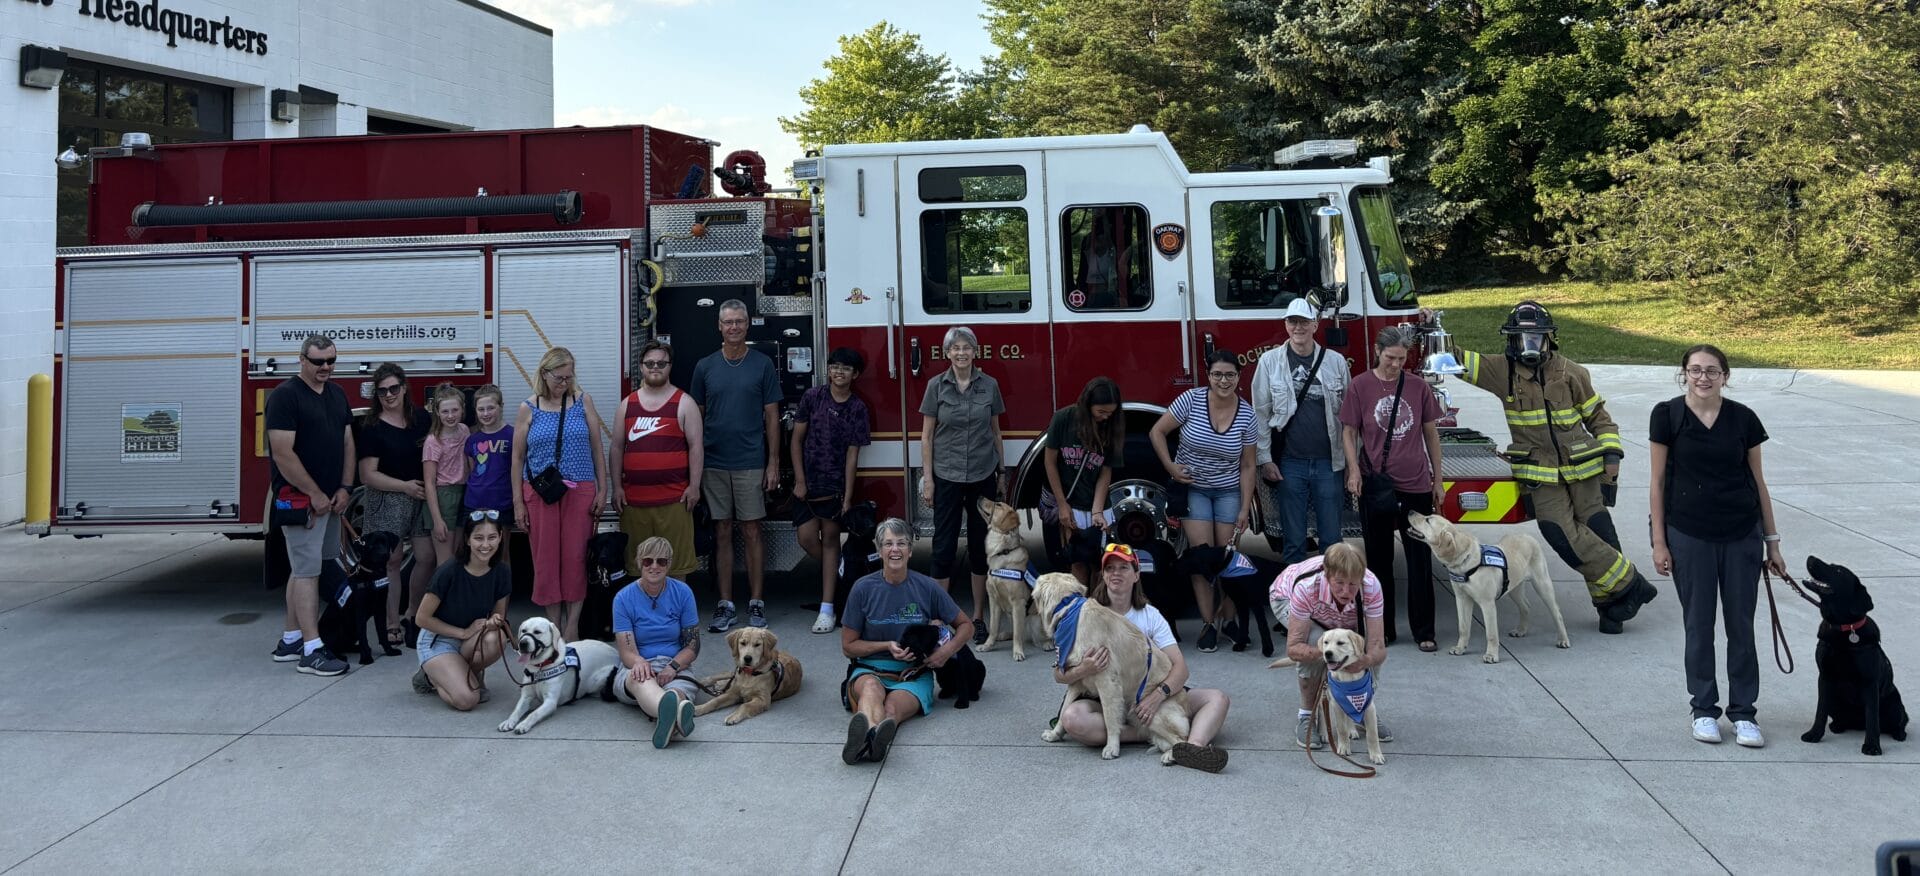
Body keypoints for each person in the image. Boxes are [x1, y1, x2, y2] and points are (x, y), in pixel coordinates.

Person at [1435, 301, 1659, 633]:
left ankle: (1610, 607)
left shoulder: (1572, 373)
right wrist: (1433, 330)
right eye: (1522, 338)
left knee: (1597, 531)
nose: (1529, 345)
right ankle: (1631, 583)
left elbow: (1599, 418)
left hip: (1583, 469)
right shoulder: (1501, 372)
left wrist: (1612, 455)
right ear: (1510, 340)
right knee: (1562, 535)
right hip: (1541, 475)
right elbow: (1456, 359)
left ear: (1548, 339)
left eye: (1536, 338)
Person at [1649, 344, 1787, 748]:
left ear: (1725, 375)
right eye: (1695, 370)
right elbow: (1657, 483)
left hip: (1742, 534)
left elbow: (1758, 482)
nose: (1703, 377)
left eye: (1712, 370)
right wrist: (1660, 542)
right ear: (1684, 374)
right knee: (1699, 626)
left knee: (1741, 628)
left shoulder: (1744, 419)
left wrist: (1772, 543)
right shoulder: (1667, 415)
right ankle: (1704, 709)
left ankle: (1744, 714)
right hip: (1688, 534)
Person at [1053, 543, 1232, 772]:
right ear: (1102, 575)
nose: (1116, 573)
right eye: (1110, 569)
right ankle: (1149, 734)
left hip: (1150, 691)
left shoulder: (1150, 615)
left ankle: (1191, 748)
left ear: (1136, 575)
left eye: (1123, 568)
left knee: (1218, 699)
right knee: (1073, 719)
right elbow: (1059, 674)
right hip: (1103, 699)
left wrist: (1157, 697)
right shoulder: (1082, 614)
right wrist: (1084, 669)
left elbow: (1180, 669)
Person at [1340, 326, 1446, 649]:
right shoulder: (1360, 386)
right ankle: (1383, 629)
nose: (1396, 364)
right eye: (1390, 358)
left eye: (1401, 359)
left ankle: (1424, 631)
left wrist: (1437, 479)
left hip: (1414, 482)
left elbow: (1431, 433)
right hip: (1377, 484)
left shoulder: (1417, 387)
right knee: (1379, 560)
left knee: (1419, 560)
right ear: (1377, 351)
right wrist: (1354, 470)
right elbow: (1348, 432)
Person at [839, 517, 976, 765]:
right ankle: (870, 738)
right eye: (888, 544)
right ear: (880, 550)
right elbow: (848, 645)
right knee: (871, 690)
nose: (895, 550)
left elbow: (966, 626)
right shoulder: (862, 588)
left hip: (913, 674)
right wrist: (885, 646)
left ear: (910, 551)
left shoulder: (927, 587)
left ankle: (868, 741)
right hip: (870, 669)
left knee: (892, 709)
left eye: (901, 544)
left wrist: (945, 652)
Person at [1149, 351, 1257, 652]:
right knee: (1201, 558)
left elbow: (1248, 466)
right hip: (1193, 489)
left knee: (1228, 561)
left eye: (1230, 375)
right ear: (1208, 376)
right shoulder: (1190, 401)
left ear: (1238, 377)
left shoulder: (1247, 415)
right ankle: (1208, 624)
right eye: (1217, 375)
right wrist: (1171, 467)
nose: (1224, 381)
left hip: (1228, 491)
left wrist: (1245, 508)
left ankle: (1230, 620)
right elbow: (1157, 431)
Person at [265, 334, 355, 677]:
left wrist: (345, 487)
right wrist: (315, 493)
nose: (326, 368)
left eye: (331, 360)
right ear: (301, 359)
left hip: (331, 501)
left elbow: (348, 441)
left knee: (306, 568)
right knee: (307, 573)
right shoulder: (285, 397)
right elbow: (283, 453)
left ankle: (290, 639)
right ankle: (312, 650)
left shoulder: (336, 394)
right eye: (318, 362)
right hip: (302, 502)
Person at [690, 300, 781, 632]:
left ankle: (756, 603)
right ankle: (725, 605)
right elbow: (695, 418)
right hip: (714, 461)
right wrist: (694, 466)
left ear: (747, 325)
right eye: (728, 322)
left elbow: (772, 416)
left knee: (753, 530)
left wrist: (772, 463)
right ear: (719, 325)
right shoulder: (705, 367)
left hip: (750, 462)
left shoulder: (762, 364)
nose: (734, 327)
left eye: (739, 322)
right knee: (722, 531)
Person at [510, 347, 610, 643]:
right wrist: (518, 502)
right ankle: (554, 627)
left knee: (576, 558)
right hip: (540, 495)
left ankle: (572, 626)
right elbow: (516, 459)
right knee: (546, 560)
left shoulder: (583, 401)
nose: (564, 382)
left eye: (569, 377)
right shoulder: (528, 407)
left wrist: (602, 489)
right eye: (559, 377)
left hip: (580, 491)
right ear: (544, 374)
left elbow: (596, 447)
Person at [918, 326, 1006, 646]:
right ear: (947, 353)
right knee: (943, 547)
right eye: (955, 348)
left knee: (982, 548)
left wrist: (1001, 473)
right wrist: (928, 480)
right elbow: (927, 437)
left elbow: (996, 432)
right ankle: (940, 620)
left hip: (982, 473)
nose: (961, 353)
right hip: (947, 475)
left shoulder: (990, 386)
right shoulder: (935, 387)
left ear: (975, 352)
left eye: (966, 347)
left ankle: (978, 617)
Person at [1252, 298, 1351, 567]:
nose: (1298, 327)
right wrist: (1265, 459)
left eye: (1304, 322)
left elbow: (1349, 418)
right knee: (1293, 540)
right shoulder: (1270, 362)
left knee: (1331, 539)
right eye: (1293, 321)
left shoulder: (1336, 362)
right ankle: (1295, 600)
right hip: (1289, 463)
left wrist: (1352, 464)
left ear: (1315, 325)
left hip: (1329, 462)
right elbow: (1260, 413)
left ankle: (1330, 599)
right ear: (1285, 325)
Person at [1275, 542, 1389, 750]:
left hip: (1339, 613)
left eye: (1353, 584)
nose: (1346, 591)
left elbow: (1377, 645)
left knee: (1360, 649)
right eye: (1339, 583)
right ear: (1327, 575)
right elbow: (1294, 648)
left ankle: (1360, 709)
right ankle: (1307, 715)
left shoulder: (1371, 585)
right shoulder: (1307, 587)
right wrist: (1328, 653)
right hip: (1286, 597)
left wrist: (1366, 660)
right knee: (1314, 643)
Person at [792, 347, 872, 633]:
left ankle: (827, 610)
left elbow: (853, 457)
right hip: (808, 483)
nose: (839, 372)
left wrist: (848, 496)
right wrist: (799, 480)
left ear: (855, 375)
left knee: (830, 540)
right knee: (806, 538)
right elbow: (796, 440)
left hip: (834, 487)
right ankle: (842, 567)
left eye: (845, 368)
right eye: (834, 366)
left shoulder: (857, 408)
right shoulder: (812, 398)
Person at [356, 362, 434, 649]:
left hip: (420, 496)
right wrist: (404, 487)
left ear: (404, 388)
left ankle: (413, 613)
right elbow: (367, 475)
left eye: (394, 388)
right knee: (392, 561)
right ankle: (390, 624)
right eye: (382, 391)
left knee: (426, 557)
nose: (389, 395)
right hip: (387, 498)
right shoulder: (372, 428)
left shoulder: (422, 419)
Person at [612, 340, 702, 586]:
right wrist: (617, 488)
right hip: (634, 502)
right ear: (641, 367)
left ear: (670, 366)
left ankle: (676, 619)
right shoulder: (627, 405)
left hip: (675, 501)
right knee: (638, 567)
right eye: (649, 363)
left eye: (661, 363)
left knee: (676, 566)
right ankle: (644, 619)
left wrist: (694, 486)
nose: (655, 368)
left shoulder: (684, 402)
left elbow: (696, 447)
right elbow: (617, 447)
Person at [411, 511, 512, 711]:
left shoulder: (502, 571)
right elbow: (421, 619)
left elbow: (498, 615)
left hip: (472, 637)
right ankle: (431, 677)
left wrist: (494, 621)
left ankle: (464, 674)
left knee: (498, 638)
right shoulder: (449, 571)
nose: (486, 545)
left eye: (492, 537)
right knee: (467, 700)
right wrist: (463, 633)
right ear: (467, 539)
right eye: (478, 538)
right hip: (438, 640)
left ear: (501, 537)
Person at [610, 536, 703, 749]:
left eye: (661, 561)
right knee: (642, 680)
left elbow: (693, 645)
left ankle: (670, 714)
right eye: (647, 561)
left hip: (675, 663)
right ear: (638, 563)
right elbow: (626, 651)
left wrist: (673, 667)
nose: (654, 566)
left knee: (678, 689)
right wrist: (640, 662)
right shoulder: (623, 598)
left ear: (669, 564)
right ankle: (674, 713)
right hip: (639, 664)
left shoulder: (683, 592)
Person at [1043, 377, 1124, 584]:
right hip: (1071, 503)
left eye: (1111, 413)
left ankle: (1097, 607)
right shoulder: (1063, 419)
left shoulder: (1112, 427)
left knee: (1100, 562)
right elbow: (1050, 462)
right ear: (1087, 405)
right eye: (1101, 412)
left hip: (1097, 504)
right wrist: (1062, 504)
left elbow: (1106, 471)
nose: (1106, 417)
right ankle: (1080, 611)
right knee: (1077, 562)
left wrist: (1097, 511)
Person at [421, 383, 470, 557]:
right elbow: (429, 482)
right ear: (437, 413)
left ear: (462, 409)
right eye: (445, 411)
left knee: (458, 554)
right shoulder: (433, 441)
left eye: (455, 410)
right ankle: (440, 585)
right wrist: (437, 520)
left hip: (463, 493)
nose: (450, 416)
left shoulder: (464, 431)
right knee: (445, 560)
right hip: (443, 498)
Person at [463, 384, 515, 531]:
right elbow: (472, 470)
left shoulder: (513, 435)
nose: (485, 413)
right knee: (476, 547)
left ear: (501, 406)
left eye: (491, 408)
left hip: (503, 502)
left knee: (502, 550)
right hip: (474, 502)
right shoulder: (472, 439)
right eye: (481, 409)